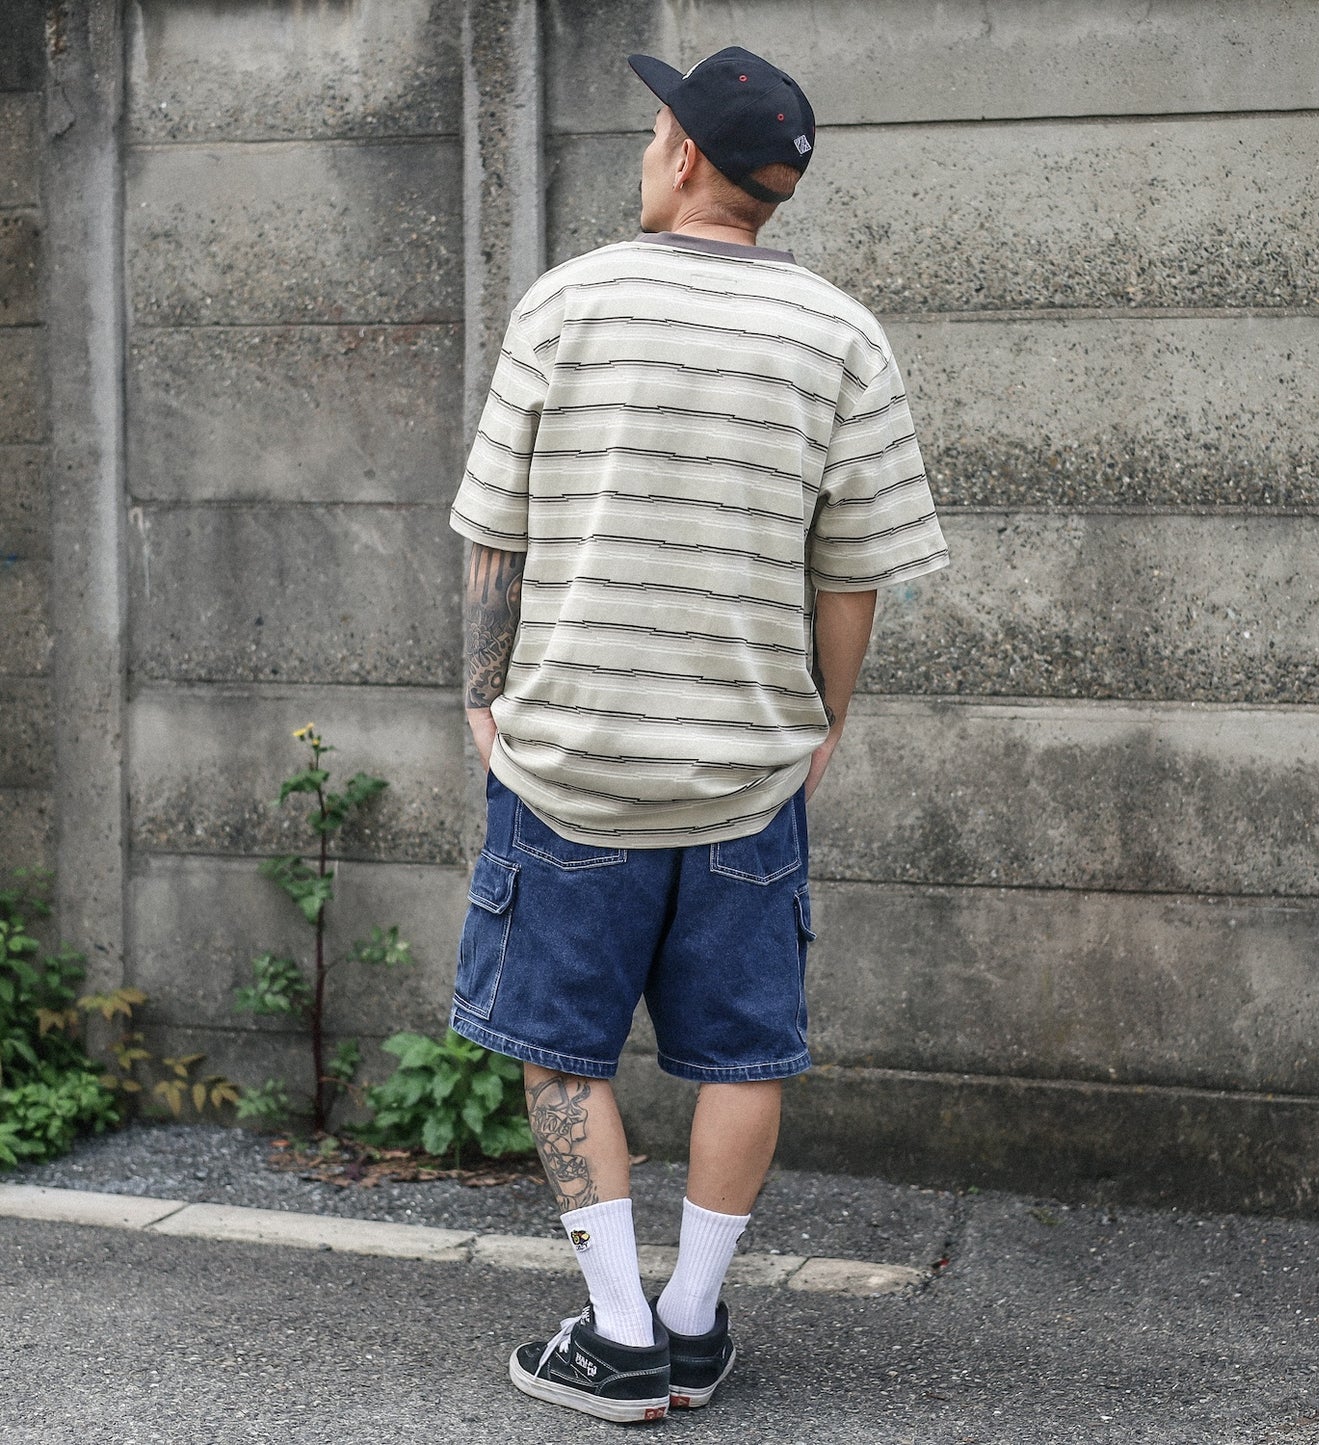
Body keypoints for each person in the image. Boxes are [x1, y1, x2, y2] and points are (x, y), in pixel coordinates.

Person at [447, 45, 949, 1424]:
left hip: (571, 770)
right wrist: (821, 729)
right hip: (744, 775)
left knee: (565, 1045)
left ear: (678, 153)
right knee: (743, 1050)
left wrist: (482, 698)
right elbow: (852, 577)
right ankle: (688, 1319)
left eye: (654, 123)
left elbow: (499, 527)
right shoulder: (842, 336)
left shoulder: (568, 301)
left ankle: (616, 1335)